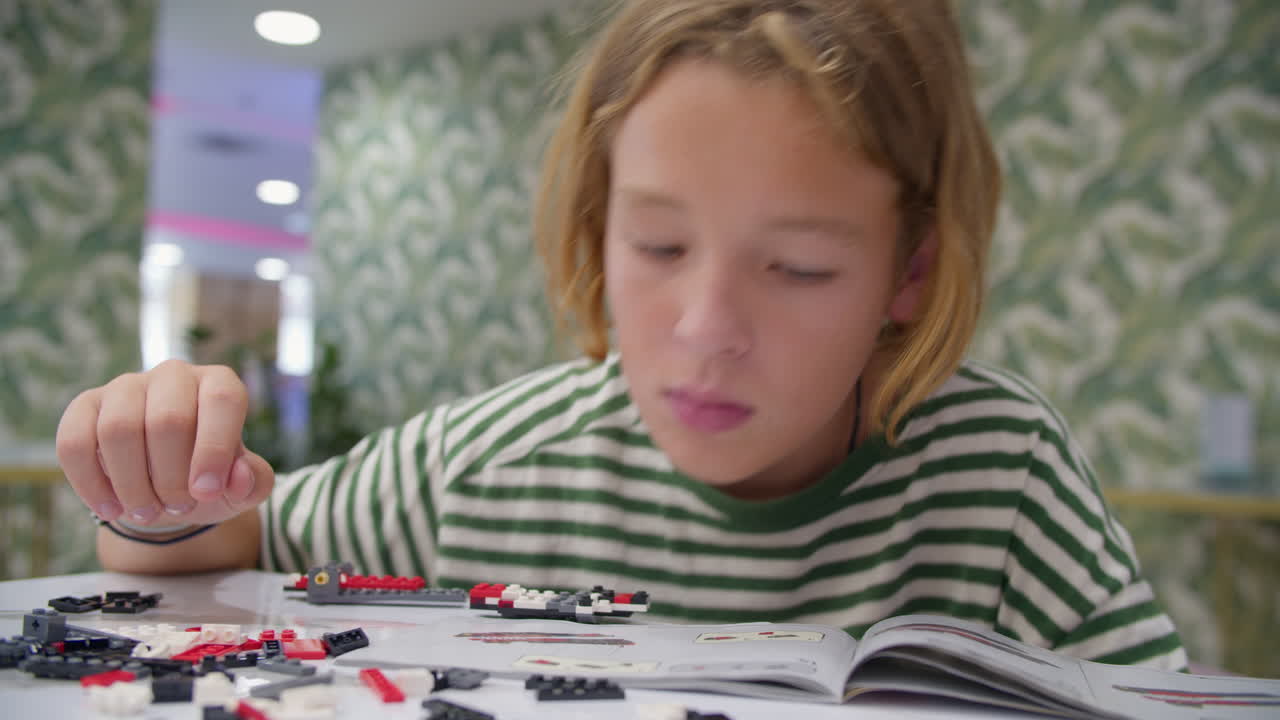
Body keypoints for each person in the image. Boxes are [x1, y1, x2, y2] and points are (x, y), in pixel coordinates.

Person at [56, 0, 1186, 670]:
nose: (703, 333)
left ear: (911, 269)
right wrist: (160, 485)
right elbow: (221, 550)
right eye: (654, 246)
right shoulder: (482, 470)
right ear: (596, 227)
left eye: (795, 267)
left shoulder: (999, 476)